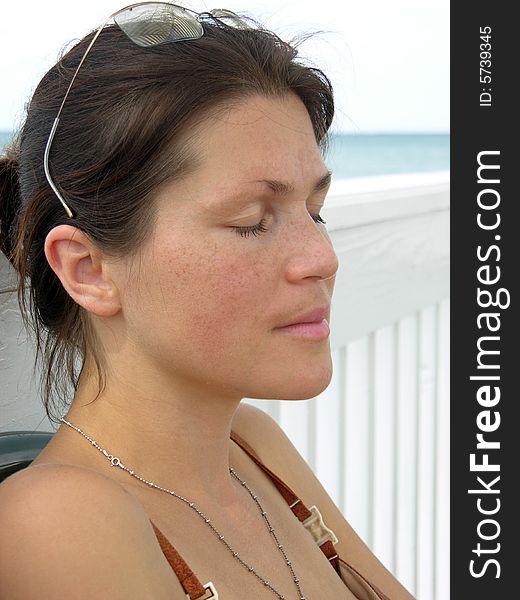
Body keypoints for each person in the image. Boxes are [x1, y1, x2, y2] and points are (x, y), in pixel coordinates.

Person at [0, 3, 415, 599]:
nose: (322, 259)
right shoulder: (56, 521)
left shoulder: (251, 448)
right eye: (251, 222)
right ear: (88, 270)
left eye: (314, 212)